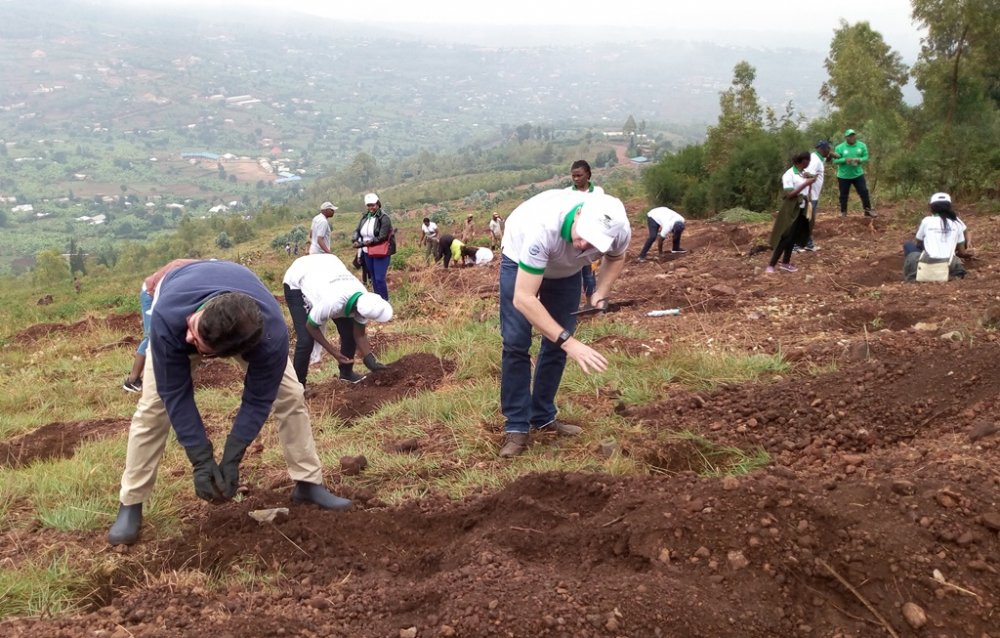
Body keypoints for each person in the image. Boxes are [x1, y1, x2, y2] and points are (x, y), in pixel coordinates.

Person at [107, 260, 352, 546]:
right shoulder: (173, 320)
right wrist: (201, 460)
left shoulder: (270, 335)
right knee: (153, 408)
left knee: (290, 394)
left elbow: (258, 398)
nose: (190, 337)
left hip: (245, 320)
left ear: (229, 354)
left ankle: (308, 484)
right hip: (178, 300)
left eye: (197, 343)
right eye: (195, 330)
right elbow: (176, 393)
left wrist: (232, 456)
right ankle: (131, 503)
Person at [498, 190, 631, 458]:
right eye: (583, 235)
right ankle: (517, 425)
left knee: (557, 341)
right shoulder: (542, 227)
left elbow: (616, 257)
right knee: (516, 342)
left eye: (594, 242)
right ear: (579, 213)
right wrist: (570, 342)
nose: (584, 245)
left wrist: (601, 292)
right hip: (519, 257)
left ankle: (543, 416)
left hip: (566, 272)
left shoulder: (619, 229)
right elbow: (524, 299)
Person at [283, 253, 392, 385]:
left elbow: (359, 335)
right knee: (306, 340)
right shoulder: (333, 303)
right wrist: (334, 352)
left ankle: (346, 374)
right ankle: (299, 387)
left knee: (349, 332)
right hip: (298, 277)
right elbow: (311, 326)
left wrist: (370, 360)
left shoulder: (365, 300)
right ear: (356, 310)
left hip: (328, 266)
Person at [122, 258, 198, 393]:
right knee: (152, 335)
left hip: (165, 293)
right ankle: (132, 380)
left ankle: (150, 376)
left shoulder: (195, 271)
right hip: (151, 294)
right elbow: (166, 294)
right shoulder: (179, 269)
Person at [903, 193, 972, 282]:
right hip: (950, 263)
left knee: (908, 245)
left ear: (931, 207)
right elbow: (962, 252)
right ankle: (949, 274)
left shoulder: (927, 221)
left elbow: (918, 242)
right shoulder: (956, 223)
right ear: (949, 207)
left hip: (928, 261)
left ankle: (916, 272)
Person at [766, 152, 816, 274]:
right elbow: (789, 195)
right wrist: (806, 183)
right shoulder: (789, 175)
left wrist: (809, 177)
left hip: (801, 208)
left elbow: (813, 177)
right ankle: (771, 265)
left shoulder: (801, 173)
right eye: (808, 161)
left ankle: (785, 263)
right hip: (791, 208)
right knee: (785, 236)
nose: (809, 163)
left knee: (793, 237)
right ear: (803, 161)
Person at [566, 160, 605, 298]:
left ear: (588, 175)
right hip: (572, 239)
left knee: (588, 272)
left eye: (579, 175)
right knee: (572, 273)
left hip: (590, 239)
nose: (576, 179)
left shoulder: (598, 192)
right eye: (573, 176)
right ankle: (573, 303)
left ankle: (590, 301)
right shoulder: (567, 193)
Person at [794, 140, 837, 252]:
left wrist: (831, 156)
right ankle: (795, 245)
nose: (829, 151)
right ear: (823, 149)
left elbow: (827, 158)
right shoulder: (814, 160)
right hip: (809, 196)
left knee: (808, 220)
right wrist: (807, 195)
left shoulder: (816, 158)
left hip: (812, 195)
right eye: (828, 149)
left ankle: (808, 244)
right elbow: (806, 175)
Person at [352, 193, 394, 301]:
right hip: (367, 252)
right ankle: (378, 300)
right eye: (369, 205)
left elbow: (382, 237)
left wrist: (362, 244)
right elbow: (357, 230)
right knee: (373, 278)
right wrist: (355, 238)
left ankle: (385, 301)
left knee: (379, 278)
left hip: (380, 251)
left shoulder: (384, 218)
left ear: (378, 204)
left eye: (373, 205)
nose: (371, 208)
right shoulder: (365, 217)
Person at [833, 129, 875, 218]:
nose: (852, 137)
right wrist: (844, 160)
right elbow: (835, 161)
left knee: (864, 192)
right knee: (843, 194)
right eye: (849, 136)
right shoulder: (840, 147)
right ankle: (843, 212)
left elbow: (866, 157)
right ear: (846, 137)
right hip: (843, 176)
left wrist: (859, 159)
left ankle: (867, 210)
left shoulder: (862, 145)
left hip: (858, 174)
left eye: (853, 135)